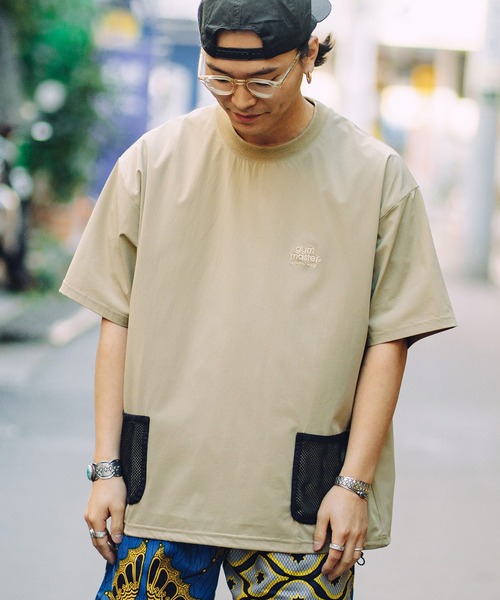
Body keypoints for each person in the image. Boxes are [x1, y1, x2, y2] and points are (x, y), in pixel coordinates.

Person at [60, 1, 457, 598]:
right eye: (219, 79)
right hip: (160, 494)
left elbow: (390, 340)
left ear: (310, 54)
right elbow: (114, 318)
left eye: (264, 79)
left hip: (302, 510)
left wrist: (354, 485)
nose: (240, 99)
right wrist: (106, 468)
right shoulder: (152, 163)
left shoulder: (376, 178)